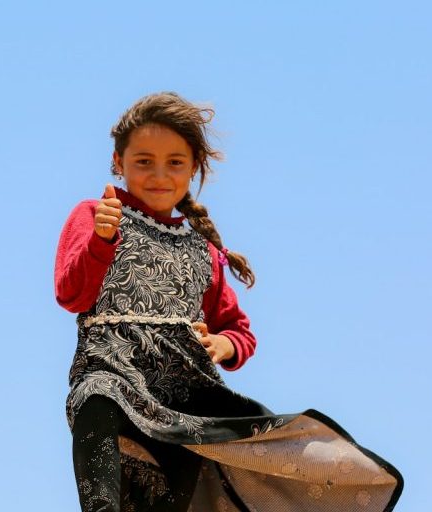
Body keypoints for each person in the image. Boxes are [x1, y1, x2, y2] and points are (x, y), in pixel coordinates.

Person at [54, 92, 403, 512]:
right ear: (118, 163)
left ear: (194, 168)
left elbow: (240, 332)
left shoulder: (203, 250)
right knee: (98, 397)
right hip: (112, 372)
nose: (159, 174)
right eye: (143, 161)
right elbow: (71, 294)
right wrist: (101, 241)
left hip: (181, 402)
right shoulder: (96, 214)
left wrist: (223, 345)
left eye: (175, 162)